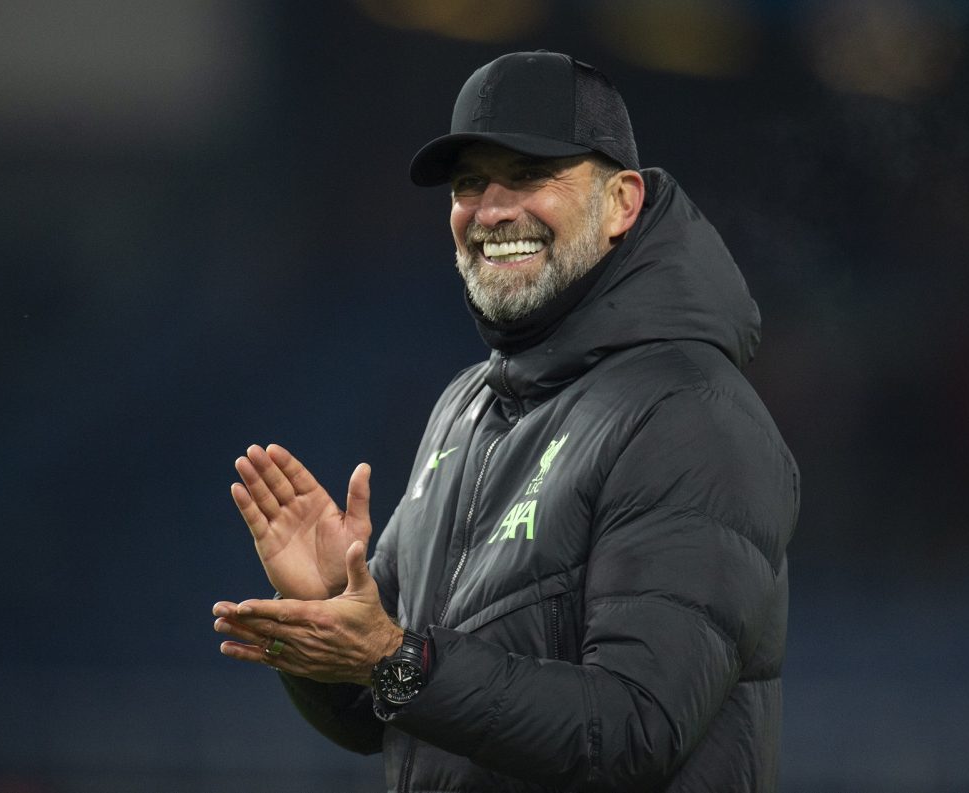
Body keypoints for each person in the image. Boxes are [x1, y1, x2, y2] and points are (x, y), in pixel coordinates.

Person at [212, 51, 799, 792]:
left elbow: (634, 728)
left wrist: (394, 658)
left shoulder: (689, 414)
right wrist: (333, 611)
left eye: (529, 175)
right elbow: (383, 710)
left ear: (621, 203)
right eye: (469, 184)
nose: (490, 211)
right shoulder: (465, 407)